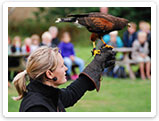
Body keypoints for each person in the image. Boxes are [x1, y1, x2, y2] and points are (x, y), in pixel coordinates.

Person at [12, 46, 115, 112]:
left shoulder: (47, 94)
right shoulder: (37, 108)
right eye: (62, 66)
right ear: (49, 74)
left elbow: (71, 94)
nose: (66, 68)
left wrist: (95, 66)